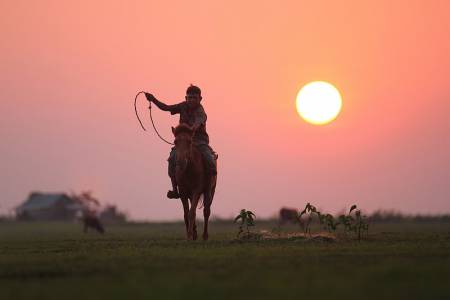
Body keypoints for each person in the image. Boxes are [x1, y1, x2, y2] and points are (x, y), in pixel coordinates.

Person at [145, 85, 217, 199]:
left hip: (199, 141)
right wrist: (153, 99)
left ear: (200, 99)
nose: (191, 100)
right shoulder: (182, 106)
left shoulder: (200, 111)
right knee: (172, 158)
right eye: (189, 98)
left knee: (210, 160)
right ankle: (175, 190)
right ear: (186, 98)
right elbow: (166, 107)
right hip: (183, 141)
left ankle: (208, 187)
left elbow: (200, 120)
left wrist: (193, 128)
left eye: (194, 98)